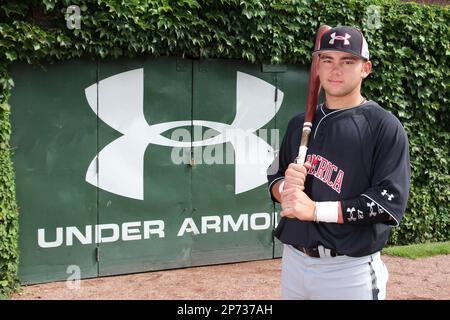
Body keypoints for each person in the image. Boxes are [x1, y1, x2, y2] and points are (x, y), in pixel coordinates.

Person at [267, 26, 410, 300]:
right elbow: (274, 178)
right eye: (327, 60)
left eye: (347, 61)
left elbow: (387, 204)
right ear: (317, 67)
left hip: (348, 270)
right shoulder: (299, 124)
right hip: (294, 262)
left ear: (365, 68)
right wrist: (286, 188)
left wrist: (315, 210)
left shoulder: (383, 126)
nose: (335, 70)